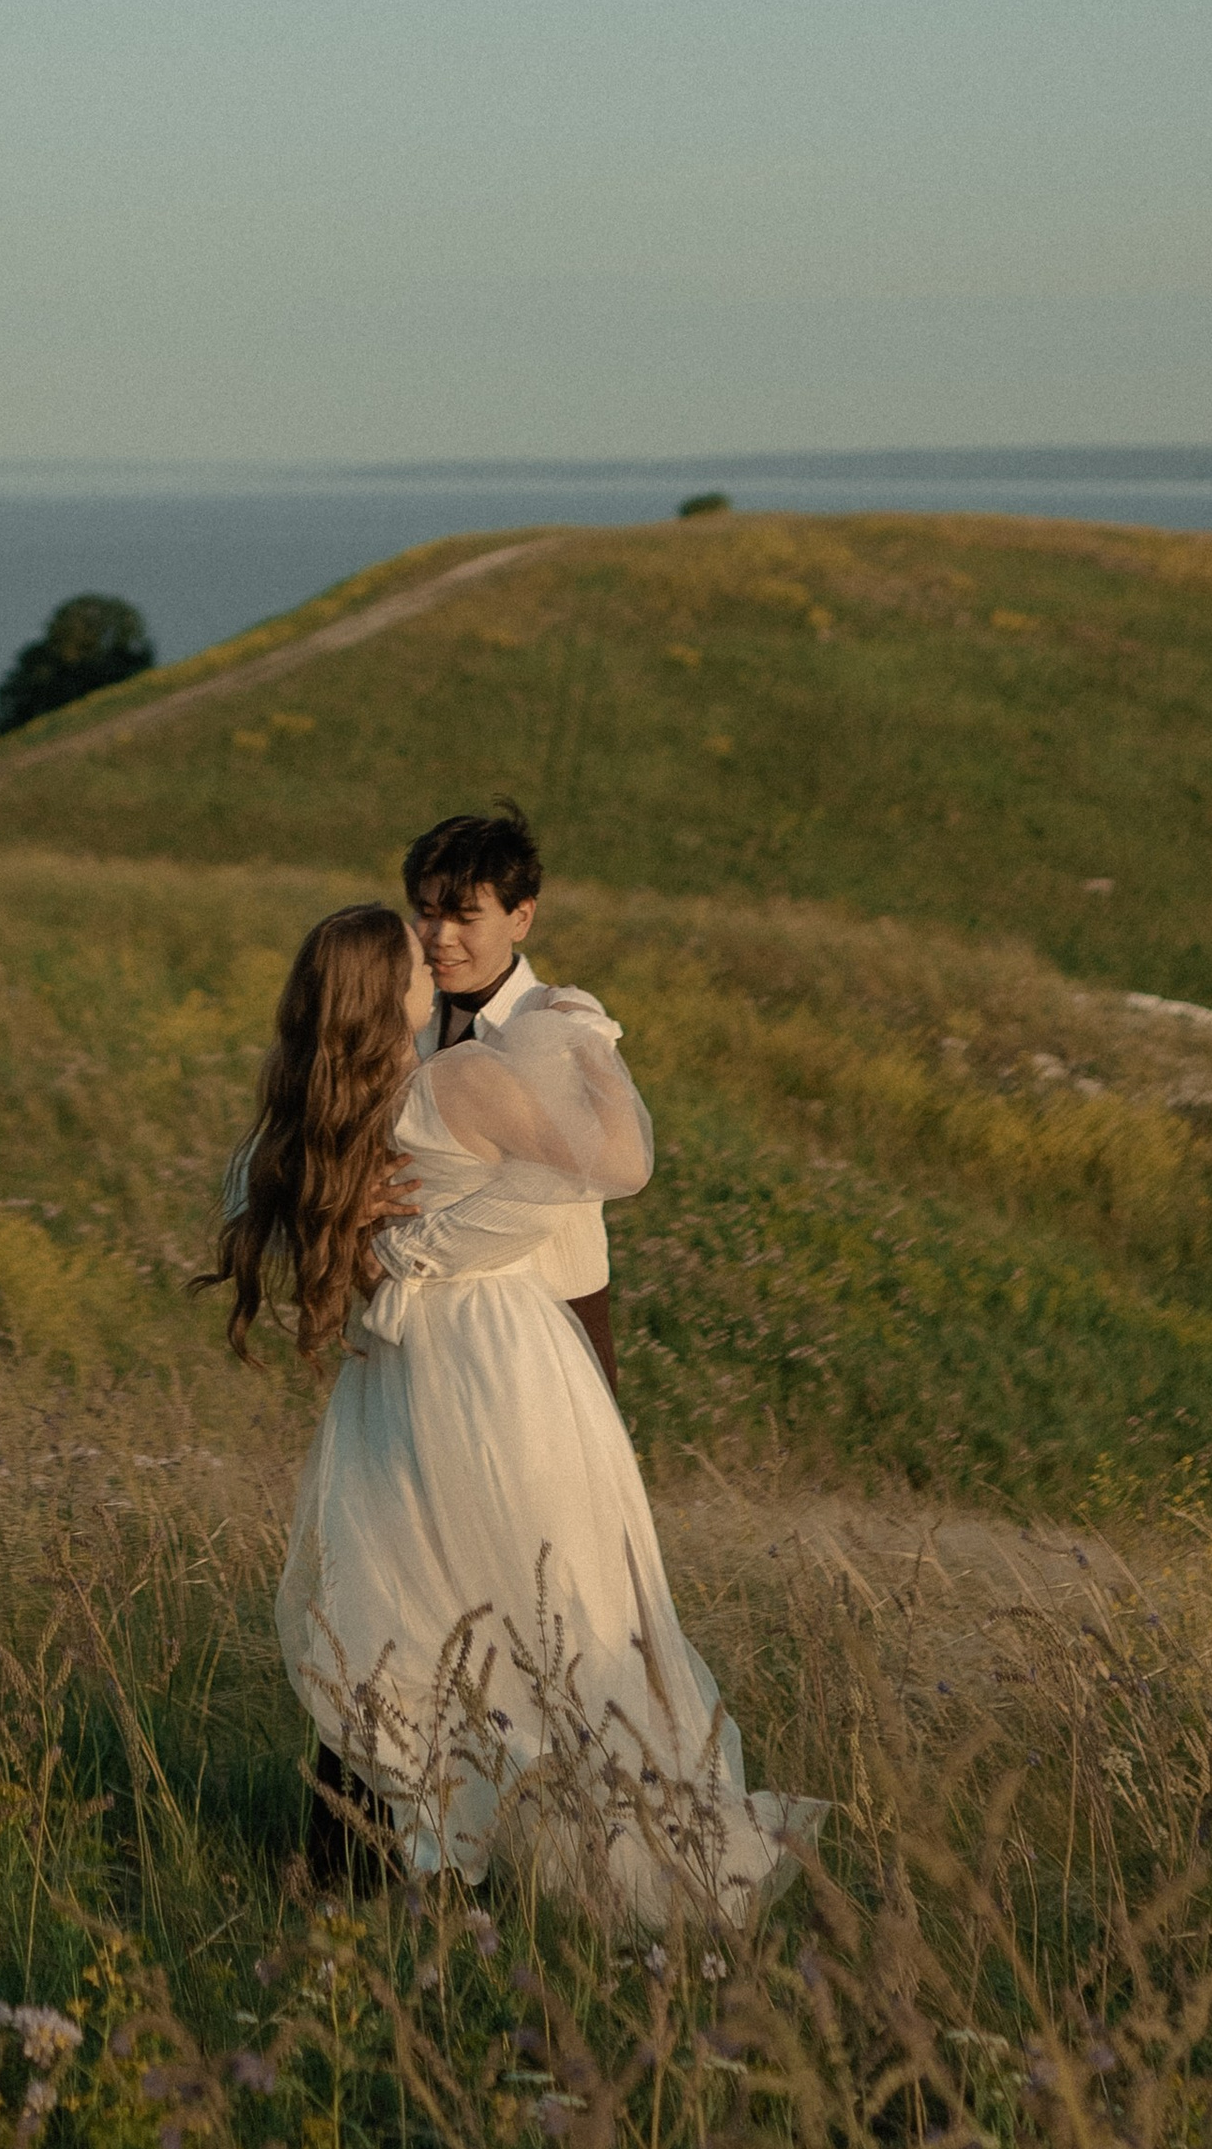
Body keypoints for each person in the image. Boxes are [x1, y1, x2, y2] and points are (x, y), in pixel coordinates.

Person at [205, 902, 819, 1921]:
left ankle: (419, 1851)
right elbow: (611, 1166)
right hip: (499, 1371)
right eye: (414, 954)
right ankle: (631, 1860)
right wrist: (592, 1045)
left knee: (411, 1606)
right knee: (565, 1605)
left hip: (396, 1384)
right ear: (391, 990)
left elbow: (247, 1197)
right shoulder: (460, 1081)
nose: (431, 958)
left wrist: (367, 1243)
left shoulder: (324, 1112)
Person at [403, 805, 619, 1404]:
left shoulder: (563, 1023)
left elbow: (552, 1188)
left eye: (465, 917)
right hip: (427, 1325)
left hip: (553, 1315)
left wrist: (397, 1253)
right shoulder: (407, 1020)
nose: (440, 938)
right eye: (426, 913)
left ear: (521, 918)